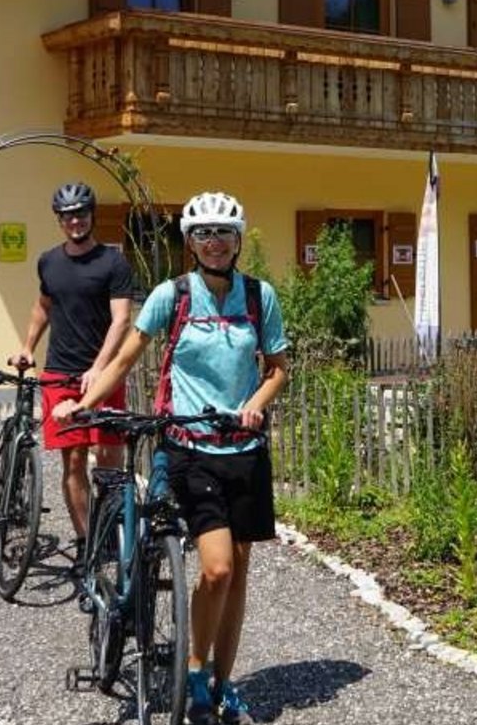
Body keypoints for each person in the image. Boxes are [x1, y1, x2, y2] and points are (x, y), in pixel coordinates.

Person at [55, 191, 288, 725]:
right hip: (189, 448)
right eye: (203, 233)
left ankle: (222, 684)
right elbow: (125, 358)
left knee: (238, 572)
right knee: (217, 567)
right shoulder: (173, 294)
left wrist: (255, 404)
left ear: (237, 239)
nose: (213, 242)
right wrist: (85, 404)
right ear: (190, 241)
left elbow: (277, 368)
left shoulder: (259, 296)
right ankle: (196, 669)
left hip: (244, 450)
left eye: (223, 232)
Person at [10, 181, 134, 558]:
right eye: (67, 216)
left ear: (91, 215)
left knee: (109, 458)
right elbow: (44, 306)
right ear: (59, 220)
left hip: (103, 375)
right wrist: (27, 346)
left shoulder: (113, 262)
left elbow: (121, 320)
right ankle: (86, 542)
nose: (75, 221)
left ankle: (111, 528)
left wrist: (99, 368)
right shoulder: (49, 261)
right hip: (60, 372)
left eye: (80, 214)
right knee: (74, 459)